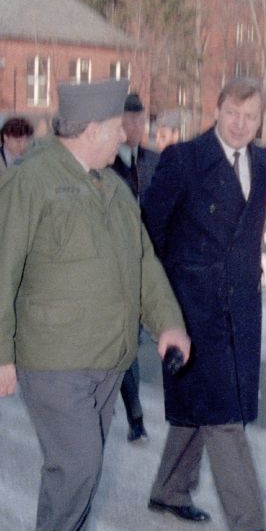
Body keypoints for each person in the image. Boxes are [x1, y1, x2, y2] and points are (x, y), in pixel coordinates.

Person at [0, 79, 190, 531]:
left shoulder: (110, 187)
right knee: (81, 464)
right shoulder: (31, 183)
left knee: (78, 471)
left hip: (107, 358)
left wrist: (168, 324)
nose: (127, 134)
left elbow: (143, 263)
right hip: (52, 357)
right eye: (119, 126)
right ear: (91, 130)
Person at [140, 77, 266, 531]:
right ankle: (249, 525)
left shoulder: (262, 162)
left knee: (205, 398)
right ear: (216, 110)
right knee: (223, 412)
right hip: (193, 304)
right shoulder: (184, 159)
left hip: (241, 302)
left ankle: (171, 489)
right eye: (233, 114)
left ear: (261, 120)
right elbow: (149, 232)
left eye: (251, 117)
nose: (241, 125)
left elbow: (251, 231)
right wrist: (159, 303)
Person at [108, 92, 160, 443]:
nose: (135, 128)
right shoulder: (105, 165)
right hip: (114, 269)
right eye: (128, 121)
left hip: (151, 265)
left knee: (130, 342)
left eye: (140, 121)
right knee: (124, 341)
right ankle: (135, 414)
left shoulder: (156, 162)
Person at [0, 115, 35, 189]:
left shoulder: (31, 160)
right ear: (6, 138)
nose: (22, 146)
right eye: (18, 141)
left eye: (25, 141)